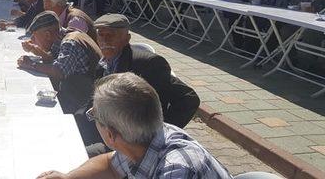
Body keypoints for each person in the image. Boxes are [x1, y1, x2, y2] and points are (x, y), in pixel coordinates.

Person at [36, 73, 231, 179]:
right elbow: (110, 165)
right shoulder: (145, 136)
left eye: (93, 115)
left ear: (111, 135)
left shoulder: (177, 170)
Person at [84, 15, 199, 144]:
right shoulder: (103, 63)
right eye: (101, 35)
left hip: (134, 141)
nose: (105, 41)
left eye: (111, 35)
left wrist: (158, 133)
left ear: (127, 39)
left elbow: (189, 98)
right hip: (111, 132)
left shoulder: (147, 64)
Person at [17, 11, 102, 113]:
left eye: (34, 36)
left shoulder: (70, 42)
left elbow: (59, 71)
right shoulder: (63, 35)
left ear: (47, 35)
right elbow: (53, 59)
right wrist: (37, 50)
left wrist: (31, 65)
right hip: (86, 93)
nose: (32, 40)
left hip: (88, 103)